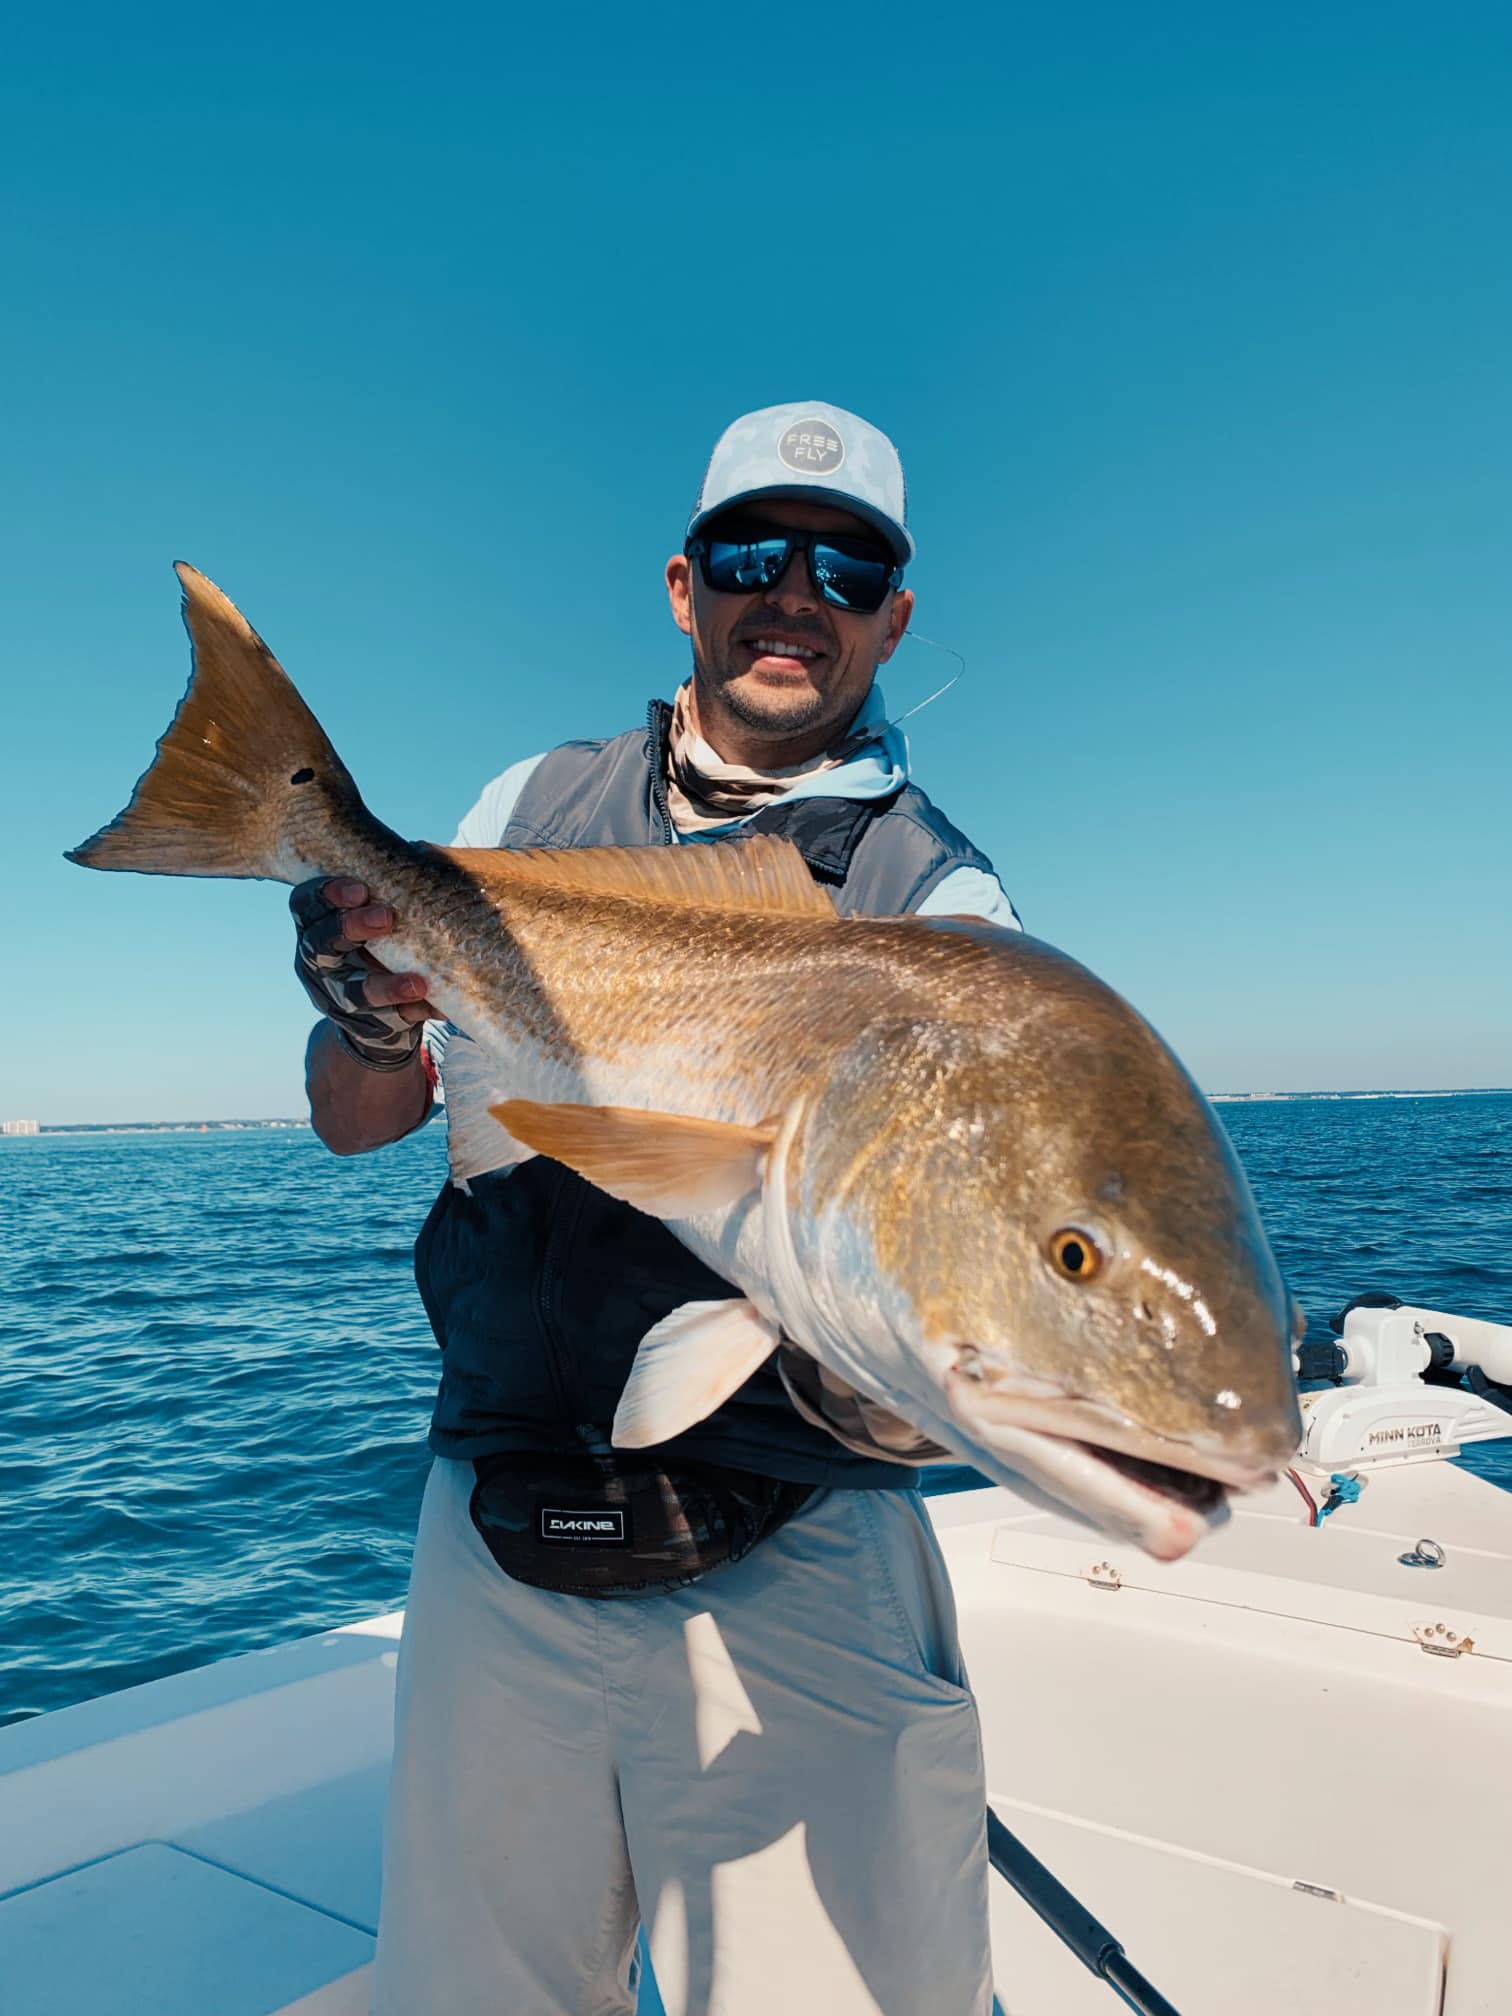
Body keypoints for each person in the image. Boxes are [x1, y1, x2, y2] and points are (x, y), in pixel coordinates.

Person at [294, 402, 1019, 2016]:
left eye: (849, 566)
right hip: (499, 1507)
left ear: (892, 616)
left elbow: (953, 1248)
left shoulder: (939, 900)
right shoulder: (530, 805)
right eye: (757, 554)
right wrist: (363, 1014)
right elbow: (361, 1124)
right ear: (687, 587)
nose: (797, 595)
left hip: (799, 1531)